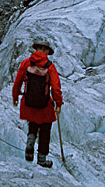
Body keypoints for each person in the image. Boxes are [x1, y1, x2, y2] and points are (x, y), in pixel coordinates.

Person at [12, 39, 63, 168]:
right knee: (45, 130)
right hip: (44, 105)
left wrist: (15, 96)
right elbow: (56, 87)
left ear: (36, 49)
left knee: (33, 122)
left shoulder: (26, 63)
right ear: (46, 50)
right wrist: (58, 104)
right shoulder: (49, 66)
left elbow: (18, 81)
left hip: (28, 103)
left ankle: (30, 140)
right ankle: (42, 159)